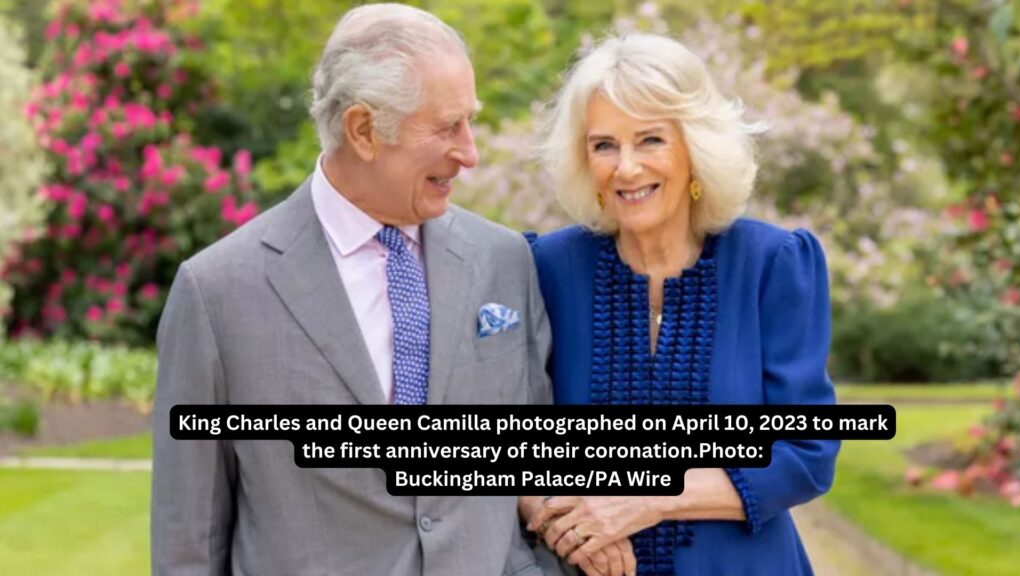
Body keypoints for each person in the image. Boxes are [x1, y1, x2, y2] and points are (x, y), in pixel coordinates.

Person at [151, 4, 555, 575]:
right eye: (446, 126)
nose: (470, 152)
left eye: (469, 121)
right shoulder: (216, 293)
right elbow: (186, 545)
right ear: (363, 130)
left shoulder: (504, 260)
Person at [523, 33, 839, 575]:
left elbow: (808, 455)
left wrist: (648, 499)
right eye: (604, 145)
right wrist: (568, 526)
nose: (626, 168)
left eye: (650, 140)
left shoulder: (773, 262)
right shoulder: (544, 268)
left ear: (695, 148)